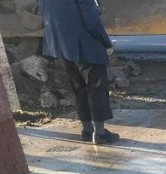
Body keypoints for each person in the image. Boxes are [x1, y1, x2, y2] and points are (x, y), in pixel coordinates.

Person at [38, 0, 120, 145]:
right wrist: (106, 42)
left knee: (79, 88)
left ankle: (87, 130)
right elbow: (92, 23)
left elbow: (46, 18)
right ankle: (100, 133)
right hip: (86, 46)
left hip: (62, 48)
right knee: (97, 89)